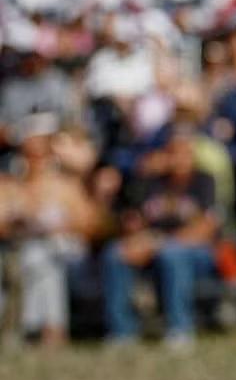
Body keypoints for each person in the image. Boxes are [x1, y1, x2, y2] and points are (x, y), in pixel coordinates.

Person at [101, 128, 220, 349]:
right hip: (154, 247)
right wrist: (141, 175)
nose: (179, 158)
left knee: (172, 254)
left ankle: (180, 329)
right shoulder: (152, 182)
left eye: (185, 152)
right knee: (116, 253)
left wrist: (158, 242)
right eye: (173, 152)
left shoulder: (204, 180)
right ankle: (122, 331)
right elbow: (134, 220)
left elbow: (206, 228)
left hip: (196, 252)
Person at [4, 115, 98, 346]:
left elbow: (89, 224)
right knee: (39, 258)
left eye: (41, 153)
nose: (36, 159)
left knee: (42, 257)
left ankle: (31, 328)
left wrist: (60, 227)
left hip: (67, 250)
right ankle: (51, 329)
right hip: (22, 250)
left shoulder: (66, 184)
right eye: (30, 153)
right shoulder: (10, 184)